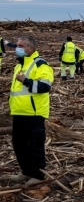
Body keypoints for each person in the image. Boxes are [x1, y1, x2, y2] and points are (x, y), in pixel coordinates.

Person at [8, 36, 54, 186]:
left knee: (34, 145)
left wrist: (26, 81)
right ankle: (26, 171)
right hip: (19, 112)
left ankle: (37, 175)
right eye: (17, 45)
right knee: (19, 144)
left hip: (34, 114)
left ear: (30, 49)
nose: (17, 48)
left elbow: (44, 87)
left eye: (21, 45)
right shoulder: (19, 65)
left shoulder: (41, 65)